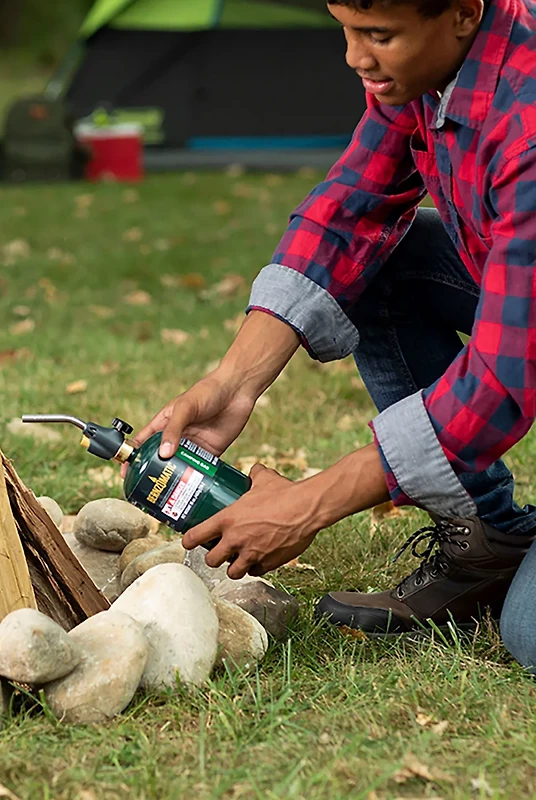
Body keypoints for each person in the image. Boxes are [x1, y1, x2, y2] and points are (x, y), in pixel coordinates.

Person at [129, 0, 536, 671]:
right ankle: (487, 539)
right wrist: (234, 383)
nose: (355, 57)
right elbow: (347, 214)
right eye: (345, 29)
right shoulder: (424, 71)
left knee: (528, 633)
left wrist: (307, 504)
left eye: (378, 36)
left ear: (464, 13)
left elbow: (500, 381)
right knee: (380, 266)